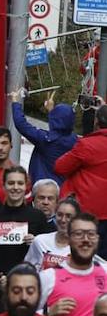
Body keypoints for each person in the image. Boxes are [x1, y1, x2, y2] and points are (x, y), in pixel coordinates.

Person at [38, 210, 107, 316]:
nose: (86, 240)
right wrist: (47, 314)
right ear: (68, 239)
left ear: (98, 239)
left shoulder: (106, 271)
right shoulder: (48, 277)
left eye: (91, 234)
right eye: (79, 234)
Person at [54, 101, 107, 258]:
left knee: (77, 256)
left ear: (96, 121)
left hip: (84, 211)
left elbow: (60, 167)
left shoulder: (87, 145)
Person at [0, 164, 49, 267]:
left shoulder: (38, 217)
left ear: (26, 186)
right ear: (4, 185)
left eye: (20, 183)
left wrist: (36, 241)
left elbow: (47, 250)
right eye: (11, 183)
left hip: (27, 277)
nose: (15, 187)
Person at [9, 89, 77, 184]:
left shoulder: (45, 140)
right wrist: (51, 110)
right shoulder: (74, 140)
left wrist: (15, 102)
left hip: (42, 188)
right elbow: (60, 124)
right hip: (61, 188)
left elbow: (21, 124)